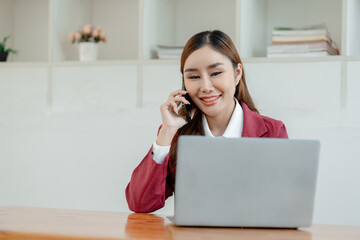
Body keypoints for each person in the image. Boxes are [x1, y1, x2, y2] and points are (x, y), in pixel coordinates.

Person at [125, 30, 288, 213]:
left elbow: (281, 206)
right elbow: (139, 203)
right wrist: (166, 132)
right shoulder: (177, 135)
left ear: (237, 74)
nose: (206, 87)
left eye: (216, 73)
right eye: (193, 77)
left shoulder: (272, 131)